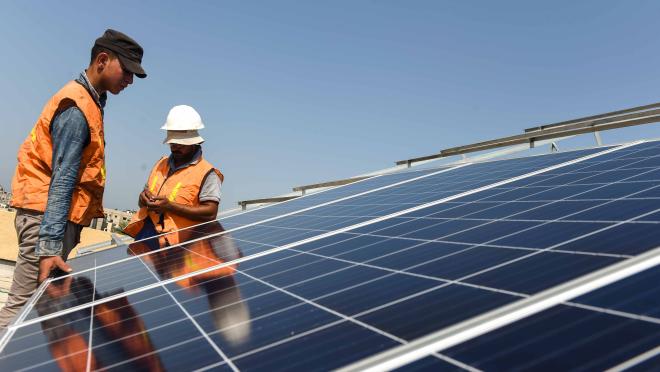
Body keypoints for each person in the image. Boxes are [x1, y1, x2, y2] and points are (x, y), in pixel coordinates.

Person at [0, 29, 147, 328]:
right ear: (103, 60)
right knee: (22, 310)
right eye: (128, 71)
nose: (130, 80)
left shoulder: (89, 102)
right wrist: (50, 248)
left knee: (36, 308)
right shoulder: (77, 108)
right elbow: (62, 180)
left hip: (49, 217)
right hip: (47, 219)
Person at [124, 105, 224, 248]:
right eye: (172, 143)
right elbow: (142, 202)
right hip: (147, 235)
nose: (175, 147)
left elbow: (210, 213)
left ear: (195, 142)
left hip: (179, 245)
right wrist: (142, 199)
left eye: (181, 144)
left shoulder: (208, 173)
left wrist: (170, 207)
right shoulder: (161, 164)